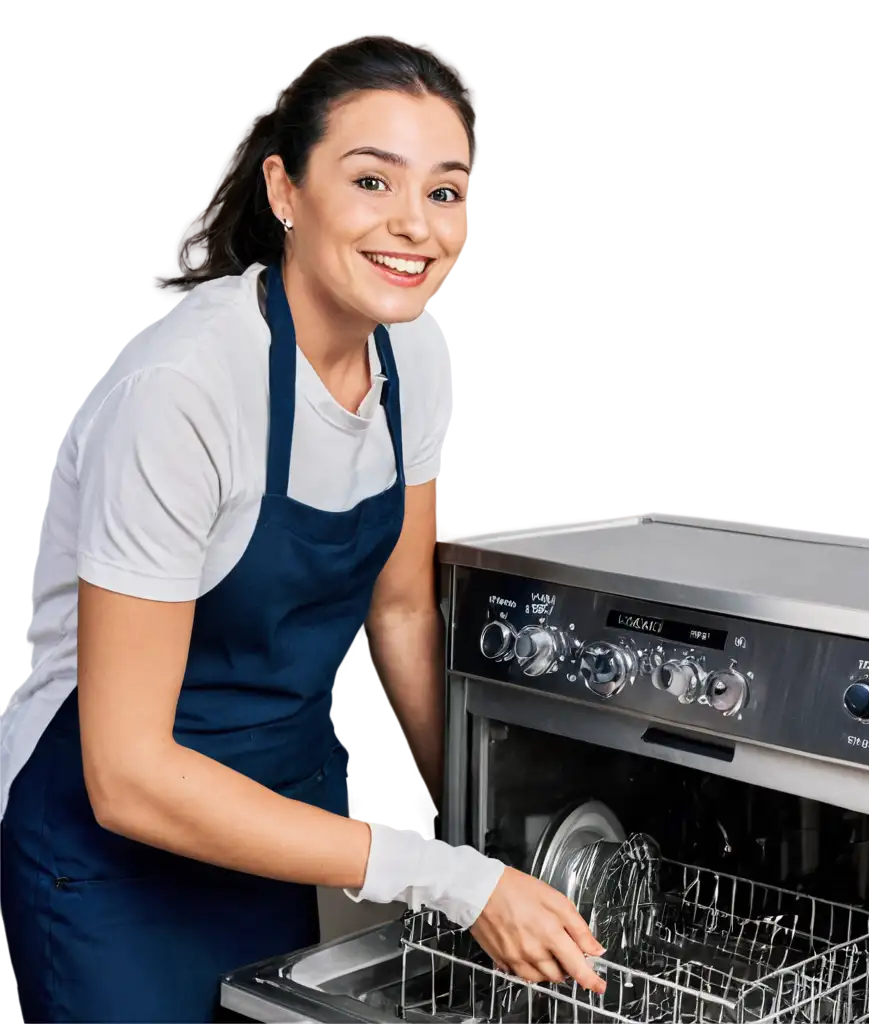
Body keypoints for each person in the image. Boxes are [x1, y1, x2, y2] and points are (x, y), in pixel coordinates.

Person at [0, 37, 606, 1023]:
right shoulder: (183, 390)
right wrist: (441, 877)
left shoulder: (417, 355)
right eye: (372, 180)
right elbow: (128, 773)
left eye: (445, 192)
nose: (414, 225)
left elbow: (404, 611)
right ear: (286, 190)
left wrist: (485, 840)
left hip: (270, 830)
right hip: (109, 858)